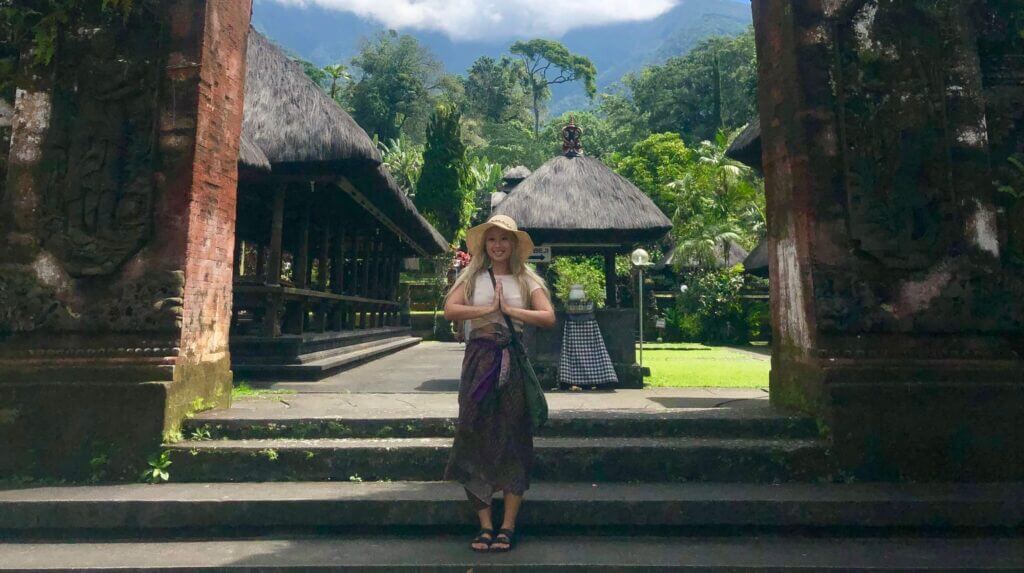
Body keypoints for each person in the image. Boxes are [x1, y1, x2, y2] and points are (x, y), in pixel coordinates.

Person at [442, 215, 556, 553]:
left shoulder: (526, 279)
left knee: (514, 436)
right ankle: (485, 525)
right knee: (472, 433)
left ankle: (508, 525)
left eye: (504, 239)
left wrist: (510, 310)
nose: (498, 245)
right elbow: (450, 310)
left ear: (514, 244)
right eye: (492, 240)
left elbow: (548, 316)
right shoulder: (472, 276)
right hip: (479, 361)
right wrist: (486, 309)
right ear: (484, 245)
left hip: (511, 362)